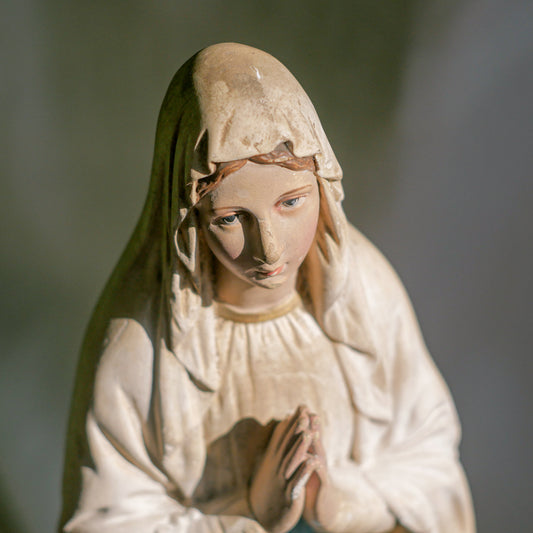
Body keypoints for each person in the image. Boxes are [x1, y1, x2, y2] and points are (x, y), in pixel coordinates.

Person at [59, 43, 475, 533]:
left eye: (291, 202)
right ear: (188, 217)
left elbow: (430, 457)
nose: (270, 249)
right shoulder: (143, 344)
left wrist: (342, 506)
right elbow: (104, 520)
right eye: (231, 218)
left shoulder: (362, 293)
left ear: (323, 185)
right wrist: (251, 514)